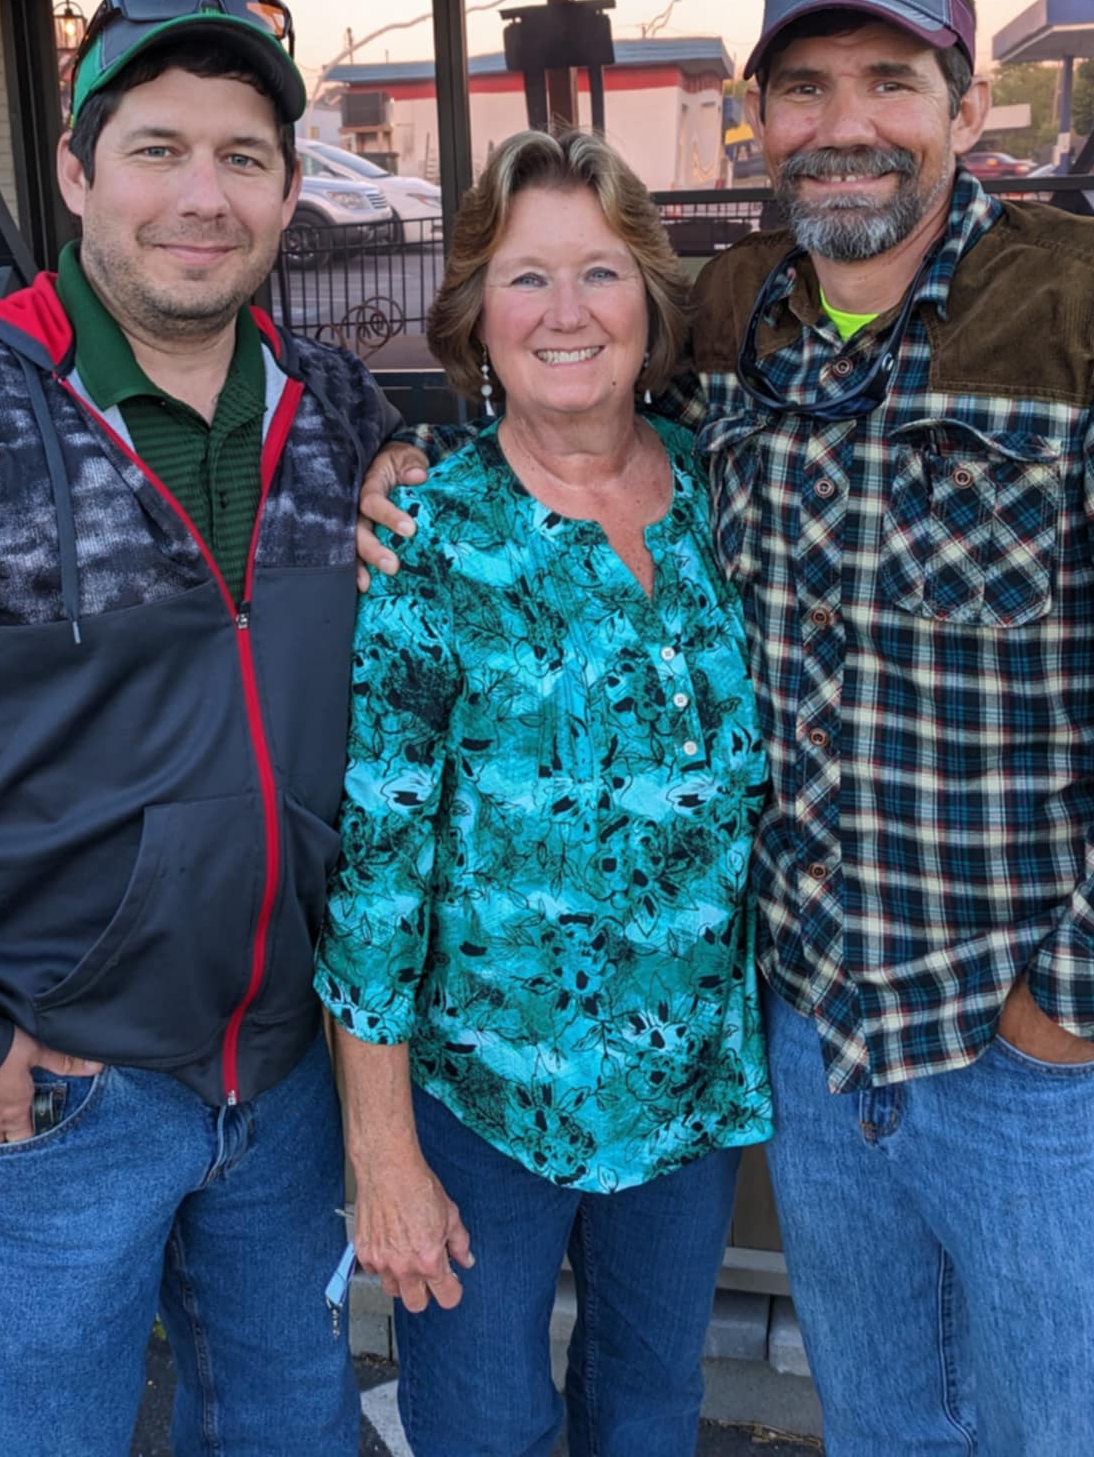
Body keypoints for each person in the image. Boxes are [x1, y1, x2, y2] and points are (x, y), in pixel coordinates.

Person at [360, 0, 1094, 1455]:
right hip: (813, 1043)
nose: (842, 121)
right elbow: (562, 386)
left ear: (967, 105)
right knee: (882, 1431)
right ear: (761, 124)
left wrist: (1072, 1006)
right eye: (803, 88)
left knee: (1054, 1437)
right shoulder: (736, 332)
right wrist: (402, 467)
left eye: (888, 81)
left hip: (1021, 1061)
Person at [0, 0, 402, 1457]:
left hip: (287, 1077)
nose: (203, 196)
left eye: (243, 158)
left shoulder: (346, 417)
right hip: (42, 1096)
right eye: (157, 149)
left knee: (288, 1435)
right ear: (76, 172)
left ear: (291, 191)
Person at [317, 128, 771, 1457]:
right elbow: (378, 877)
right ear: (475, 314)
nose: (566, 314)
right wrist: (383, 1158)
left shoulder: (726, 494)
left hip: (689, 1093)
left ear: (649, 301)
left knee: (647, 1412)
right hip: (483, 1102)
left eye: (600, 274)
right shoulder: (427, 537)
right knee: (481, 1421)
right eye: (525, 279)